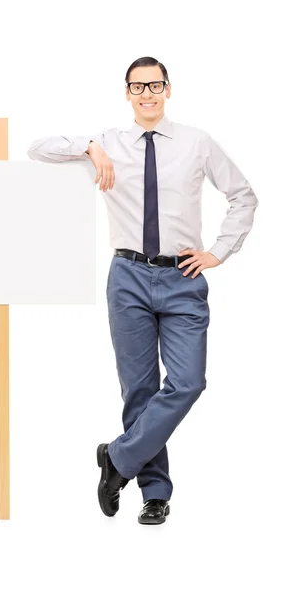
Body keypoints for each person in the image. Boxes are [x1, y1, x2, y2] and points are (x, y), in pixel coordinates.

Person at [27, 56, 259, 525]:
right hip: (128, 276)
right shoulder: (110, 141)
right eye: (138, 87)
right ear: (128, 94)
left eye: (155, 85)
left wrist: (219, 251)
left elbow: (243, 195)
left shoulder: (197, 142)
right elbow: (37, 149)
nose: (147, 93)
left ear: (169, 89)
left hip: (183, 277)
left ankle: (117, 458)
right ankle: (155, 493)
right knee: (139, 389)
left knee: (189, 382)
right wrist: (90, 147)